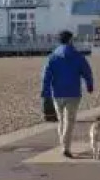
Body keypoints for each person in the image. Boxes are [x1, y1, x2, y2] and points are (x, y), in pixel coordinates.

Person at [41, 30, 96, 158]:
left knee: (61, 120)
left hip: (57, 93)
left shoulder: (53, 57)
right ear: (70, 40)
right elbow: (87, 72)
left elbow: (46, 77)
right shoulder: (77, 56)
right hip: (73, 93)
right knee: (69, 121)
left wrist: (45, 93)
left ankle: (63, 144)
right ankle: (66, 146)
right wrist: (90, 85)